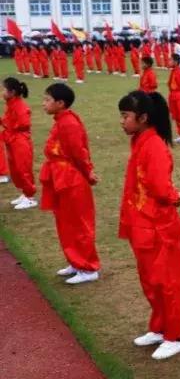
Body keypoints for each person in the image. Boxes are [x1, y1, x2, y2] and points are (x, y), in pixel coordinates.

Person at [117, 90, 180, 361]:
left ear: (144, 118)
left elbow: (160, 187)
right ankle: (160, 327)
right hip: (142, 223)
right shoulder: (140, 141)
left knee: (168, 283)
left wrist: (173, 197)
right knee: (151, 281)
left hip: (158, 226)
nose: (122, 121)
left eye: (126, 116)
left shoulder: (155, 146)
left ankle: (177, 335)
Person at [39, 82, 101, 284]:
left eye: (47, 100)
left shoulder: (69, 123)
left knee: (78, 223)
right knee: (65, 222)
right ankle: (75, 261)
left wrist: (88, 172)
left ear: (60, 103)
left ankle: (88, 267)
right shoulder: (61, 120)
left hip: (71, 179)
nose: (43, 104)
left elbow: (79, 153)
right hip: (60, 177)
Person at [2, 78, 37, 210]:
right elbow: (7, 120)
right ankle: (24, 193)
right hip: (12, 139)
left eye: (4, 89)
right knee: (15, 169)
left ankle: (30, 197)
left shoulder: (20, 106)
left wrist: (8, 125)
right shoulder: (11, 104)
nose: (2, 92)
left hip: (20, 141)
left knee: (23, 169)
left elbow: (24, 124)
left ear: (12, 92)